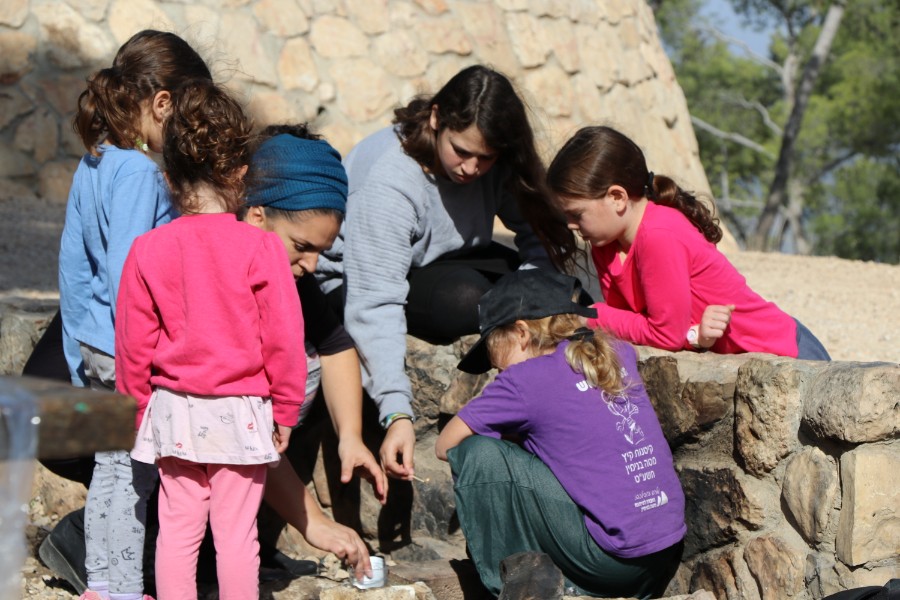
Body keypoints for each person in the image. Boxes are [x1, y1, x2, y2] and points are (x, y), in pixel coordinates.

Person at [316, 65, 566, 482]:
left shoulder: (492, 161)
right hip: (355, 281)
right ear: (436, 119)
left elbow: (540, 233)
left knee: (566, 287)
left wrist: (538, 291)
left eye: (485, 158)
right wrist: (395, 410)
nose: (471, 168)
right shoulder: (390, 182)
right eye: (461, 151)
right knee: (465, 300)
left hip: (434, 264)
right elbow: (374, 302)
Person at [117, 81, 306, 599]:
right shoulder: (260, 248)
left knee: (178, 529)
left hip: (174, 410)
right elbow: (284, 338)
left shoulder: (147, 249)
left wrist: (134, 411)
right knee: (236, 534)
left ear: (169, 175)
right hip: (240, 411)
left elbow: (133, 345)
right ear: (241, 172)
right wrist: (286, 409)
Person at [57, 29, 213, 600]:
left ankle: (100, 582)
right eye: (186, 117)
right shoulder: (142, 174)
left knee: (109, 470)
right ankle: (122, 588)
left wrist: (76, 348)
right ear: (161, 103)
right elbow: (132, 273)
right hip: (130, 350)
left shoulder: (94, 163)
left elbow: (73, 266)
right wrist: (155, 350)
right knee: (133, 476)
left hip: (97, 344)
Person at [436, 269, 686, 598]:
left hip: (611, 564)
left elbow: (446, 445)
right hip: (664, 557)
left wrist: (510, 440)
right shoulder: (615, 352)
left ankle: (517, 588)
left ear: (521, 333)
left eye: (496, 359)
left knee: (478, 453)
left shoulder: (525, 379)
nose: (498, 371)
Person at [544, 125, 831, 360]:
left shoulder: (658, 235)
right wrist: (694, 336)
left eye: (576, 214)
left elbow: (663, 334)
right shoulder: (605, 245)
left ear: (617, 198)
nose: (571, 225)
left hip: (786, 353)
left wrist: (590, 315)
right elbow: (636, 325)